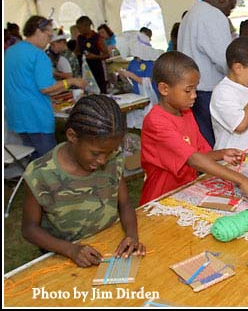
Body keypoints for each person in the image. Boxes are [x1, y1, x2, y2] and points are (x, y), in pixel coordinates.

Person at [22, 94, 146, 267]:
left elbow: (124, 204)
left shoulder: (114, 159)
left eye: (109, 152)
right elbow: (29, 229)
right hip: (64, 254)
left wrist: (131, 235)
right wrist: (70, 250)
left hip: (108, 242)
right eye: (96, 153)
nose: (103, 160)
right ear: (72, 136)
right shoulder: (40, 173)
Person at [139, 51, 248, 206]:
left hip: (187, 190)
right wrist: (242, 180)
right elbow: (193, 159)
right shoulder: (156, 122)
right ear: (164, 89)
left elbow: (199, 153)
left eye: (195, 89)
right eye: (188, 90)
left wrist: (221, 154)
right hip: (162, 197)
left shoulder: (185, 112)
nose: (194, 95)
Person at [5, 15, 87, 159]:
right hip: (36, 116)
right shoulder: (38, 55)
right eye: (48, 36)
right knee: (48, 161)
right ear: (38, 31)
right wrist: (71, 81)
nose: (49, 41)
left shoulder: (11, 52)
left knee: (32, 159)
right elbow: (46, 87)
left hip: (16, 114)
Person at [177, 0, 237, 148]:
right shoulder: (213, 15)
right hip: (209, 93)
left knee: (203, 142)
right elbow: (224, 58)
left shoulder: (191, 13)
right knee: (218, 144)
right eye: (230, 7)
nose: (229, 13)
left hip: (192, 90)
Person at [75, 15, 109, 93]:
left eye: (80, 28)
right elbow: (76, 52)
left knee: (100, 92)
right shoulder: (79, 38)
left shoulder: (97, 38)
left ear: (87, 26)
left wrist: (95, 56)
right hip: (84, 70)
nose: (79, 30)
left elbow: (107, 55)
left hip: (96, 70)